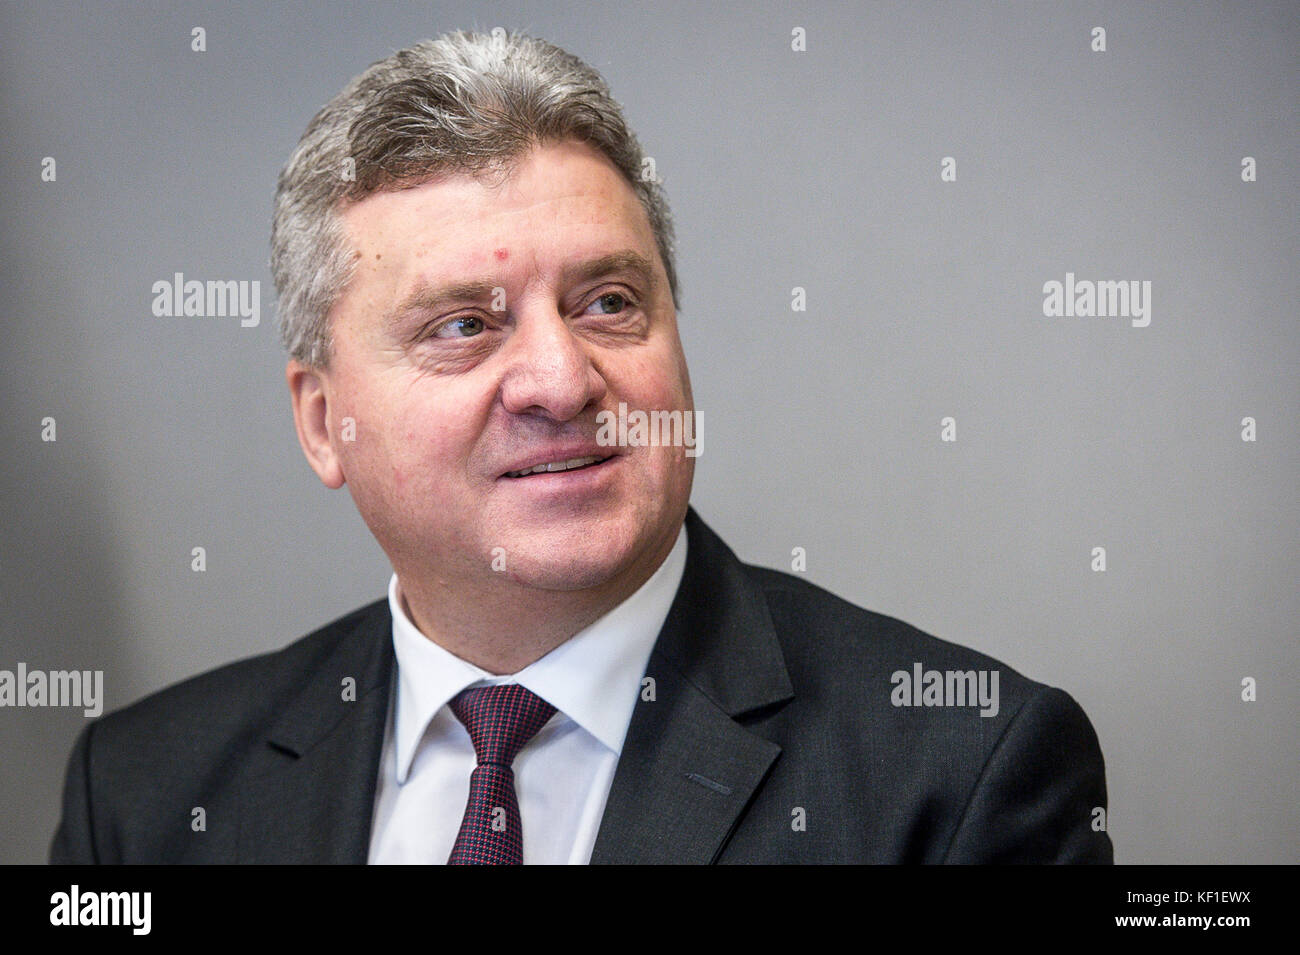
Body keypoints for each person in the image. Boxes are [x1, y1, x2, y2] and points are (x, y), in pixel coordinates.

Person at [49, 30, 1113, 864]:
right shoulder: (145, 794)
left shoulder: (958, 773)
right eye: (463, 323)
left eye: (607, 302)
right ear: (324, 422)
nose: (561, 382)